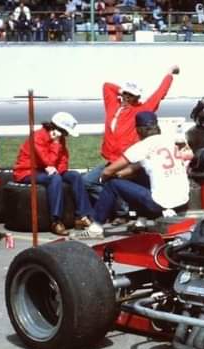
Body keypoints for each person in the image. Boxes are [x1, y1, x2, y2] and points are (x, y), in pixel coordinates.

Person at [76, 112, 192, 239]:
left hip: (161, 203)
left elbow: (108, 171)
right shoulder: (169, 140)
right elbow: (141, 167)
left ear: (138, 130)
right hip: (183, 201)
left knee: (112, 185)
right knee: (141, 176)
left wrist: (104, 178)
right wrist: (121, 176)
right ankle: (141, 222)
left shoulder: (143, 146)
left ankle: (95, 228)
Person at [83, 65, 180, 215]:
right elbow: (107, 86)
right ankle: (120, 208)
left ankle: (121, 211)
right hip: (111, 160)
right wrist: (123, 89)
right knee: (87, 182)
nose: (127, 98)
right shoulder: (112, 105)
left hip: (128, 161)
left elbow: (159, 93)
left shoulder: (141, 110)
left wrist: (169, 74)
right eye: (125, 94)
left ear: (137, 98)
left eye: (131, 95)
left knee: (113, 182)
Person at [13, 112, 94, 235]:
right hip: (27, 171)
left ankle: (82, 216)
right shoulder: (38, 137)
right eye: (66, 132)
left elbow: (63, 160)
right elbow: (47, 161)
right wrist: (55, 143)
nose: (66, 136)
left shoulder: (60, 138)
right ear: (58, 129)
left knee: (75, 176)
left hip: (48, 171)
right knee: (55, 179)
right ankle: (56, 220)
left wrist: (58, 170)